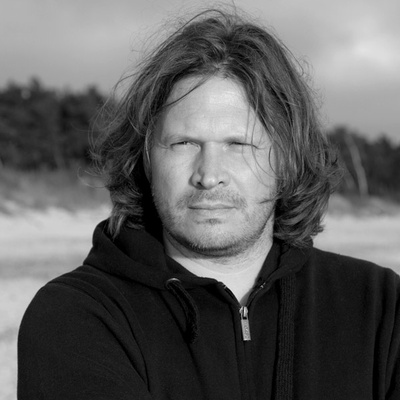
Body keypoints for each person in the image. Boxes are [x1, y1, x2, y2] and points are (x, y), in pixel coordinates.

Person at [18, 7, 400, 400]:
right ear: (146, 158)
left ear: (287, 159)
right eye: (183, 143)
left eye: (239, 144)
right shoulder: (77, 315)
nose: (209, 174)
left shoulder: (379, 307)